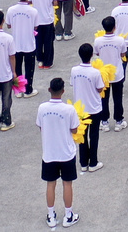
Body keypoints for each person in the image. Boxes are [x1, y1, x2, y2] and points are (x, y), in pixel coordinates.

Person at [36, 77, 80, 228]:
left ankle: (51, 215)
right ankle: (68, 215)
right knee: (67, 183)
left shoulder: (42, 108)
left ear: (49, 90)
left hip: (49, 152)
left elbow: (41, 127)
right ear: (63, 91)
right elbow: (74, 129)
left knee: (50, 184)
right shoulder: (69, 109)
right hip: (66, 152)